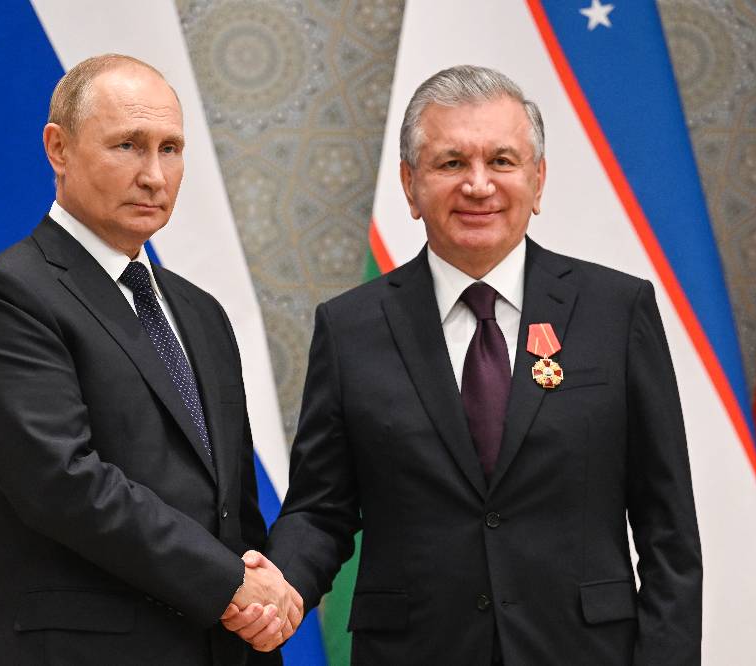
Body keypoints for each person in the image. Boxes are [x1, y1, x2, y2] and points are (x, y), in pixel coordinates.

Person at [231, 65, 703, 663]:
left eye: (502, 161)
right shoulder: (351, 327)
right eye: (451, 163)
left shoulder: (616, 310)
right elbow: (322, 509)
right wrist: (281, 587)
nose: (478, 185)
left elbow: (668, 530)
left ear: (538, 180)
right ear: (410, 184)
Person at [0, 54, 300, 665]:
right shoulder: (9, 295)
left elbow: (232, 505)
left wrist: (261, 602)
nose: (155, 176)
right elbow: (64, 484)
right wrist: (229, 584)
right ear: (58, 148)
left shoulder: (201, 312)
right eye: (128, 146)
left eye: (171, 149)